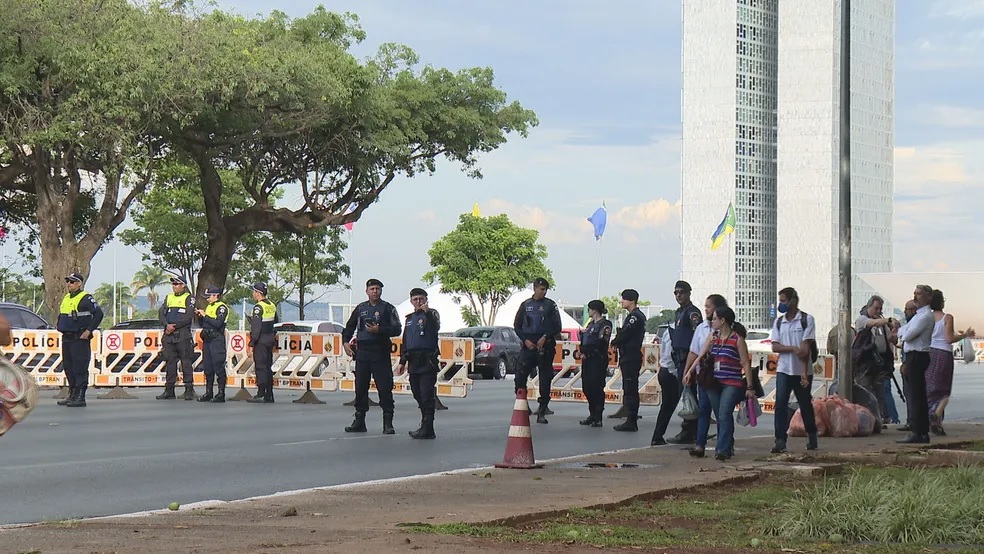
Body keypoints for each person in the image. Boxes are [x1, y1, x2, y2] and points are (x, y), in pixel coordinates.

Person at [683, 306, 754, 460]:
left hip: (732, 382)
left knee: (724, 412)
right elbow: (700, 355)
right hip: (714, 382)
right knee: (720, 414)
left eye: (715, 319)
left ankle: (722, 449)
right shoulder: (712, 336)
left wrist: (749, 386)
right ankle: (726, 446)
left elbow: (745, 363)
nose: (712, 321)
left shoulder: (737, 339)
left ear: (723, 321)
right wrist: (689, 371)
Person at [342, 278, 402, 434]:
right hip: (363, 353)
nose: (375, 291)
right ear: (367, 291)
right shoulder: (361, 308)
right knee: (360, 388)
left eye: (377, 289)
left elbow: (397, 329)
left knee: (384, 388)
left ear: (381, 291)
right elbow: (349, 327)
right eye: (372, 289)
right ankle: (359, 420)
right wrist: (345, 342)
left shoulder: (388, 308)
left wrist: (380, 330)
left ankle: (388, 423)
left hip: (380, 352)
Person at [668, 293, 727, 444]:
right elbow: (694, 352)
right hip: (704, 376)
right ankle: (700, 443)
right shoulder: (702, 328)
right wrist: (688, 371)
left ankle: (725, 443)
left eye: (709, 306)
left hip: (721, 376)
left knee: (721, 412)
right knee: (703, 410)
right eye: (705, 306)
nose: (705, 309)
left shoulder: (726, 330)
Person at [769, 287, 819, 453]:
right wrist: (791, 348)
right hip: (784, 369)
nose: (781, 304)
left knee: (804, 404)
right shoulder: (778, 322)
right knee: (780, 404)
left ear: (793, 301)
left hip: (802, 371)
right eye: (780, 301)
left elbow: (805, 350)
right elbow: (775, 346)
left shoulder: (806, 320)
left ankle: (812, 434)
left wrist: (804, 372)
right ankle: (780, 439)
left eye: (783, 301)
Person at [512, 277, 563, 424]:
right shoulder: (525, 305)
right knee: (520, 376)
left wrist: (546, 337)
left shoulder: (550, 305)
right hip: (528, 345)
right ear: (534, 288)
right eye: (541, 289)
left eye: (545, 289)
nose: (543, 292)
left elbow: (557, 326)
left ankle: (542, 409)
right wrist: (525, 340)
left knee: (545, 379)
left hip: (545, 346)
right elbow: (517, 325)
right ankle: (523, 405)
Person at [927, 289, 975, 436]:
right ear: (942, 301)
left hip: (930, 353)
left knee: (931, 390)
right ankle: (937, 413)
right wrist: (964, 335)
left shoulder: (926, 317)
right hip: (943, 354)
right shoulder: (947, 317)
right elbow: (948, 339)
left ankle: (937, 424)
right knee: (945, 390)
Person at [662, 280, 702, 445]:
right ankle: (692, 429)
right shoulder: (679, 312)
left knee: (688, 396)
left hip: (688, 359)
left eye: (681, 292)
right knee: (686, 395)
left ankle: (690, 430)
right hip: (679, 358)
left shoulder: (692, 312)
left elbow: (697, 335)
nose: (678, 295)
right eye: (676, 292)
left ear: (688, 293)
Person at [397, 287, 441, 440]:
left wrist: (427, 312)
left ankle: (428, 427)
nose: (418, 302)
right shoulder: (409, 319)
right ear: (411, 301)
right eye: (415, 299)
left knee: (426, 393)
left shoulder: (431, 314)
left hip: (427, 359)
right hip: (413, 360)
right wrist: (403, 361)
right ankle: (424, 422)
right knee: (416, 392)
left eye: (421, 299)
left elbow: (436, 327)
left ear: (426, 299)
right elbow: (406, 341)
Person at [56, 273, 104, 407]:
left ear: (79, 284)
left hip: (79, 338)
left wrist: (89, 330)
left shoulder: (86, 298)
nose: (69, 284)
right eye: (68, 281)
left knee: (80, 367)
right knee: (68, 367)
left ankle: (80, 396)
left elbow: (98, 314)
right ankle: (72, 394)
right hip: (67, 337)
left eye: (72, 282)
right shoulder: (66, 297)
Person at [853, 295, 899, 431]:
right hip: (865, 363)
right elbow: (871, 324)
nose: (878, 311)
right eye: (876, 308)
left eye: (880, 308)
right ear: (869, 307)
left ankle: (878, 421)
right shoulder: (863, 320)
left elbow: (891, 340)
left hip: (879, 364)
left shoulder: (882, 323)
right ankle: (866, 422)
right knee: (866, 392)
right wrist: (887, 320)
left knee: (880, 393)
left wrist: (894, 333)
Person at [898, 285, 935, 444]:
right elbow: (904, 330)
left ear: (928, 297)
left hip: (917, 356)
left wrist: (902, 333)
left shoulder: (925, 316)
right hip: (914, 355)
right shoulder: (919, 315)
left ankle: (918, 431)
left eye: (919, 294)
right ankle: (920, 430)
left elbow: (908, 334)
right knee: (916, 394)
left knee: (916, 395)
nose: (916, 296)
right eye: (915, 293)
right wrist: (902, 332)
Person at [611, 289, 647, 432]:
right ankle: (630, 418)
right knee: (628, 388)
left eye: (624, 299)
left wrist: (615, 341)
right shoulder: (634, 316)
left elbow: (626, 333)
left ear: (632, 301)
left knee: (631, 388)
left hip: (631, 355)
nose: (622, 301)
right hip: (628, 355)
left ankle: (631, 420)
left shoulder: (635, 317)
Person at [157, 275, 196, 401]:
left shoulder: (189, 298)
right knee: (170, 363)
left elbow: (189, 316)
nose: (174, 286)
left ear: (183, 286)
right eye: (173, 284)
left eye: (177, 284)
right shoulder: (169, 298)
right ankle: (169, 390)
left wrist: (175, 326)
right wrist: (166, 325)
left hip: (183, 335)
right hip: (169, 336)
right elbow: (161, 313)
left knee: (186, 363)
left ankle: (188, 390)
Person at [578, 299, 613, 427]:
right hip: (587, 359)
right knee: (587, 387)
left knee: (596, 387)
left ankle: (598, 416)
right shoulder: (590, 324)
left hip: (598, 359)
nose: (589, 312)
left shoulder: (605, 324)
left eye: (590, 309)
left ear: (595, 310)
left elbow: (602, 342)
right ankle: (592, 413)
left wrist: (588, 351)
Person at [195, 286, 229, 403]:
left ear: (216, 295)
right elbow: (205, 324)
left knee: (218, 366)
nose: (207, 299)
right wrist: (200, 317)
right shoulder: (209, 306)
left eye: (209, 296)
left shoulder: (222, 308)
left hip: (216, 339)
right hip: (208, 340)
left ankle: (221, 393)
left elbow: (218, 323)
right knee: (208, 367)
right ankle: (208, 392)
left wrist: (206, 316)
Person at [247, 282, 278, 404]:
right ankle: (269, 394)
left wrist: (251, 343)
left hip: (261, 340)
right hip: (270, 339)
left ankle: (261, 393)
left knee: (260, 367)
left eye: (254, 291)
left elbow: (256, 327)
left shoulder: (258, 308)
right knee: (267, 367)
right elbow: (275, 321)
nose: (253, 294)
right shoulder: (272, 305)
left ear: (258, 293)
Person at [650, 324, 678, 445]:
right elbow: (672, 355)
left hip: (665, 370)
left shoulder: (669, 330)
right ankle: (657, 436)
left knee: (667, 406)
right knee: (670, 405)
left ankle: (658, 435)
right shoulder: (678, 332)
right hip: (672, 372)